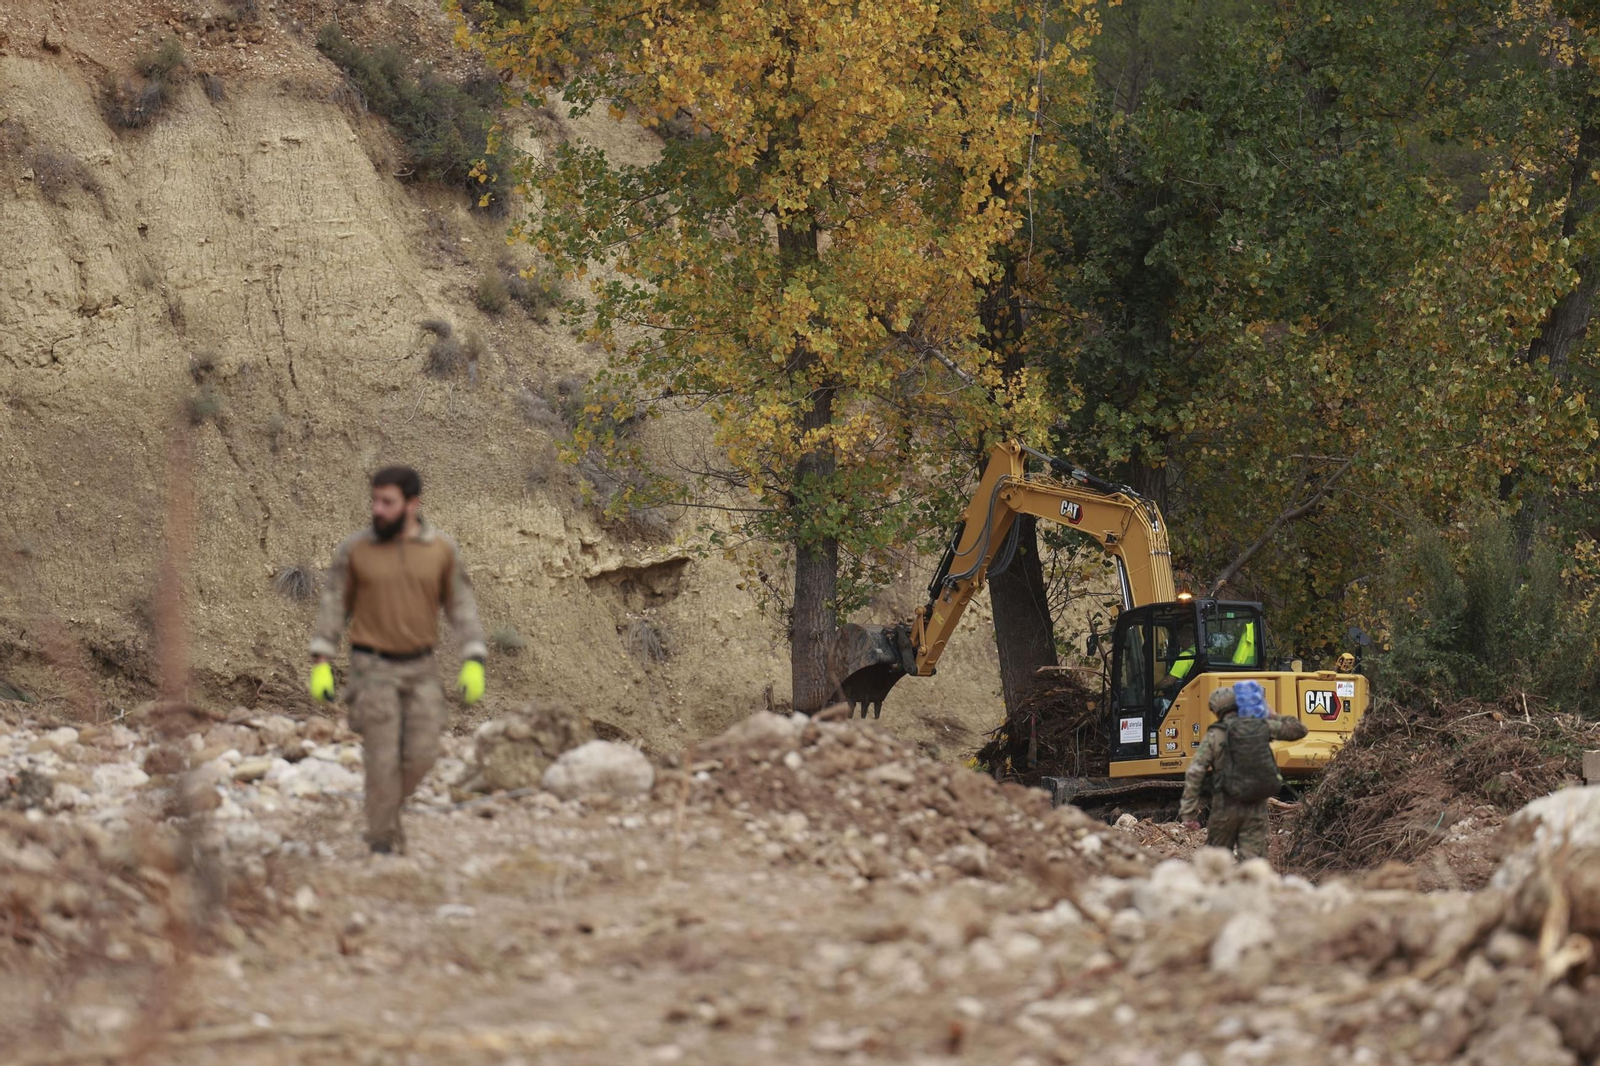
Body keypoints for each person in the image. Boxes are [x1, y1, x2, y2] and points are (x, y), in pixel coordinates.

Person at [308, 465, 488, 853]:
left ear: (412, 504)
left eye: (387, 502)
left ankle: (385, 813)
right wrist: (321, 658)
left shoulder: (440, 550)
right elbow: (334, 604)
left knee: (423, 754)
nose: (377, 509)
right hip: (371, 668)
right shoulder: (357, 550)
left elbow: (461, 606)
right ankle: (382, 841)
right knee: (382, 757)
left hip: (422, 667)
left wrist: (474, 656)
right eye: (374, 500)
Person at [1179, 680, 1307, 861]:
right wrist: (1273, 714)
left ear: (1216, 710)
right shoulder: (1260, 726)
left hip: (1225, 806)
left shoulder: (1215, 734)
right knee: (1253, 862)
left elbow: (1195, 771)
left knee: (1216, 862)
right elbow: (1300, 730)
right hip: (1256, 806)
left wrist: (1189, 813)